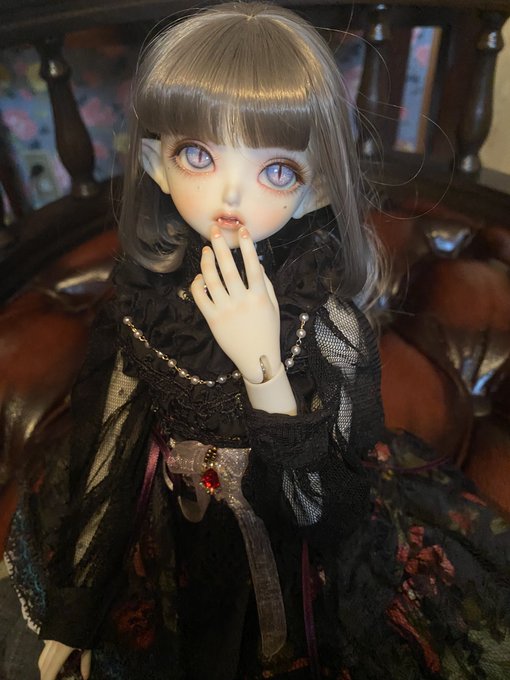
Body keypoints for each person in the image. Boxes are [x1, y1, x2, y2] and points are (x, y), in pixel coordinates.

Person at [5, 3, 510, 679]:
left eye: (277, 171)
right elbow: (113, 434)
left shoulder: (323, 323)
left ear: (315, 190)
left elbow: (323, 514)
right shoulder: (144, 300)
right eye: (198, 155)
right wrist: (77, 607)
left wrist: (262, 365)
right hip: (168, 519)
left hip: (288, 536)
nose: (232, 194)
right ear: (156, 165)